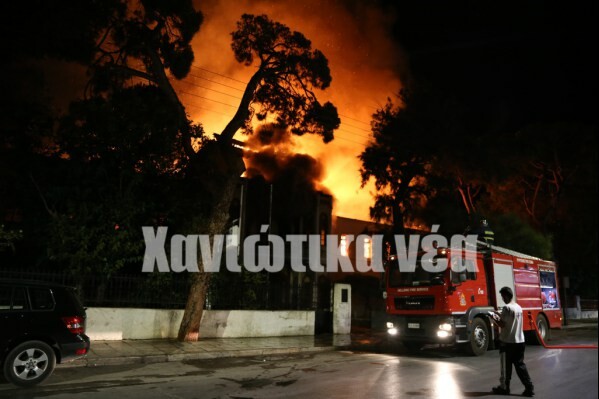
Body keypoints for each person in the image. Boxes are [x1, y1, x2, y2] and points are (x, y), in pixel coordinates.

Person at [490, 287, 535, 397]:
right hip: (520, 341)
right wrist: (498, 314)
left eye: (502, 297)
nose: (502, 299)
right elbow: (510, 320)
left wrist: (493, 317)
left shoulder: (506, 308)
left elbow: (502, 324)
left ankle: (504, 388)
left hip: (507, 342)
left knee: (506, 367)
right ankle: (529, 387)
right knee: (520, 366)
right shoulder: (518, 307)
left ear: (505, 296)